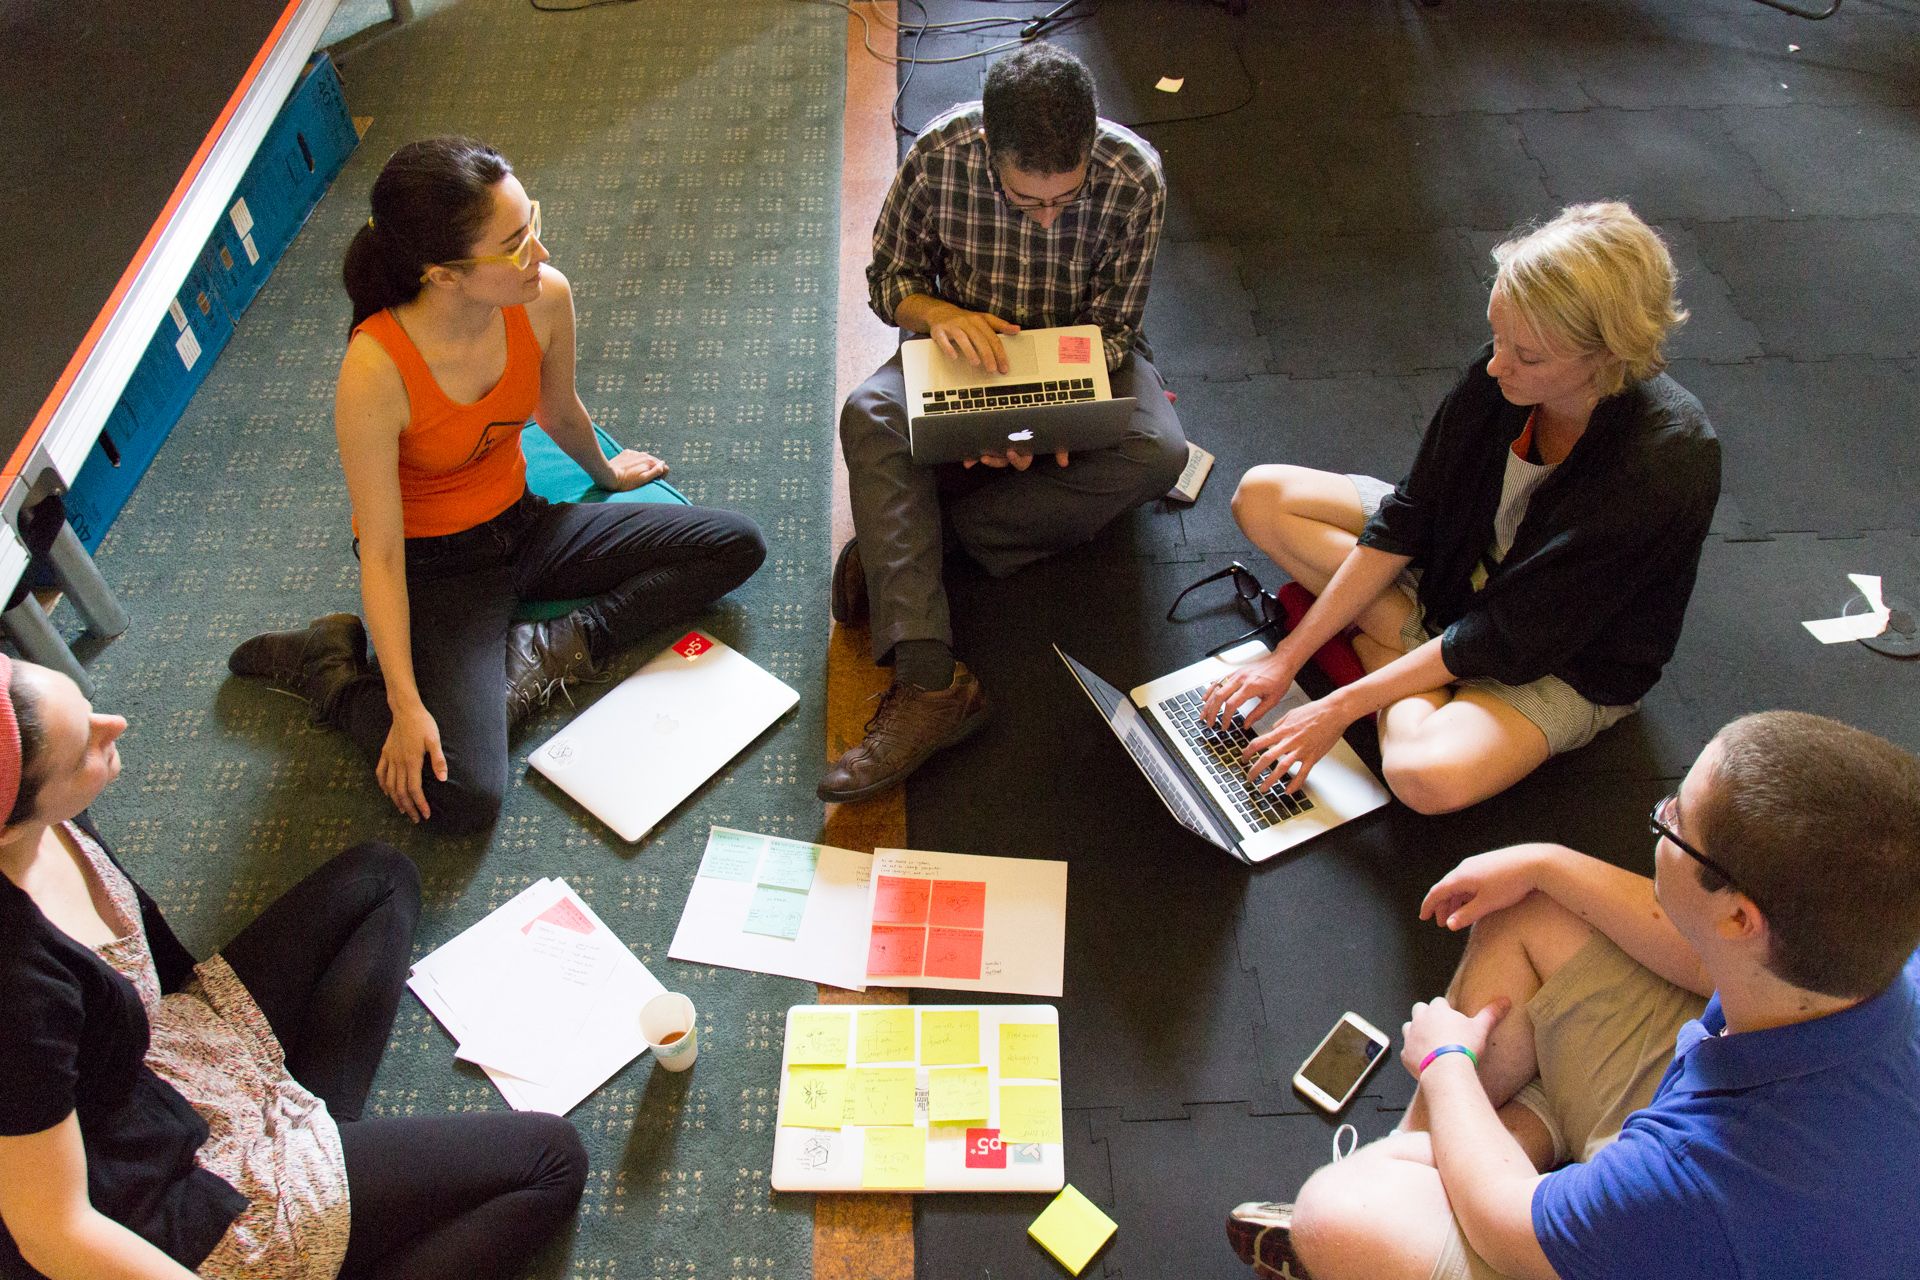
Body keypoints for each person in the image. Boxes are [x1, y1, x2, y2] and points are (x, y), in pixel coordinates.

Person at [1226, 710, 1920, 1280]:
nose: (1663, 816)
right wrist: (1545, 861)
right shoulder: (1859, 943)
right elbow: (1714, 965)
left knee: (1333, 1218)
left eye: (1675, 821)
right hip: (1728, 1149)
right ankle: (1519, 1143)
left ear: (1741, 918)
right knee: (1537, 907)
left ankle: (1435, 1174)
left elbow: (1506, 1225)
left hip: (1676, 1221)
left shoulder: (1697, 1182)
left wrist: (1447, 1068)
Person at [228, 137, 766, 833]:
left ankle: (551, 647)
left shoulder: (544, 298)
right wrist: (401, 702)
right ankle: (328, 667)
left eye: (532, 223)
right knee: (462, 798)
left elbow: (558, 410)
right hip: (437, 568)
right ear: (443, 275)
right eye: (515, 245)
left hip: (526, 523)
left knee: (737, 545)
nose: (539, 254)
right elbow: (382, 550)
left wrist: (606, 474)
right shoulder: (374, 369)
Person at [0, 655, 589, 1279]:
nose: (113, 725)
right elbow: (56, 1228)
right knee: (552, 1160)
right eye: (82, 749)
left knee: (381, 879)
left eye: (87, 711)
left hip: (176, 1053)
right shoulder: (17, 991)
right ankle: (314, 1214)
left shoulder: (41, 804)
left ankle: (329, 1168)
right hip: (171, 1197)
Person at [1205, 203, 1719, 814]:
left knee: (1425, 778)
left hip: (1558, 651)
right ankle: (1413, 652)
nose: (1496, 364)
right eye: (1498, 337)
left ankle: (1392, 646)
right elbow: (1412, 512)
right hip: (1460, 566)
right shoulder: (1506, 368)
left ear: (1606, 356)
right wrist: (1286, 661)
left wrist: (1337, 707)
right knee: (1264, 499)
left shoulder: (1663, 465)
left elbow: (1512, 635)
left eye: (1527, 356)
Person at [823, 42, 1187, 802]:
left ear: (1090, 144)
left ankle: (921, 549)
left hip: (1073, 355)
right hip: (958, 354)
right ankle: (931, 682)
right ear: (990, 151)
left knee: (1159, 451)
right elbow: (888, 282)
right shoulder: (939, 154)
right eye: (1028, 203)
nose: (1049, 219)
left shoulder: (1134, 177)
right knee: (870, 415)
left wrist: (1039, 417)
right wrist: (943, 315)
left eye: (1066, 199)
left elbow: (1115, 329)